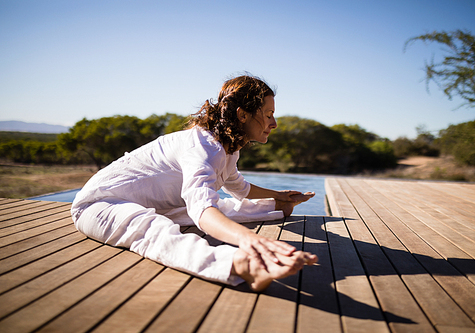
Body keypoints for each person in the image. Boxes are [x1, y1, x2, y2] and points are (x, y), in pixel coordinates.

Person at [71, 75, 318, 291]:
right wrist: (250, 240)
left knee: (220, 207)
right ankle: (239, 265)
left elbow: (239, 188)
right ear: (242, 115)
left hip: (157, 205)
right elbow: (201, 211)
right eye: (268, 115)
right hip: (99, 206)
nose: (274, 124)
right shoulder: (203, 147)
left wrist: (279, 196)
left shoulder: (229, 149)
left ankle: (275, 208)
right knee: (152, 228)